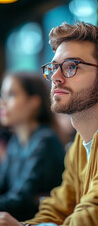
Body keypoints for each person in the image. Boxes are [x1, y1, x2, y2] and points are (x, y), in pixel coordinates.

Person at [0, 21, 98, 226]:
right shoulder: (80, 144)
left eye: (72, 67)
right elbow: (56, 209)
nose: (55, 77)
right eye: (54, 67)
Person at [0, 72, 65, 221]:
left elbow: (23, 201)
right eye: (2, 95)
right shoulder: (15, 142)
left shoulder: (45, 141)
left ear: (34, 102)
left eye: (11, 95)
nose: (2, 103)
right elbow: (3, 185)